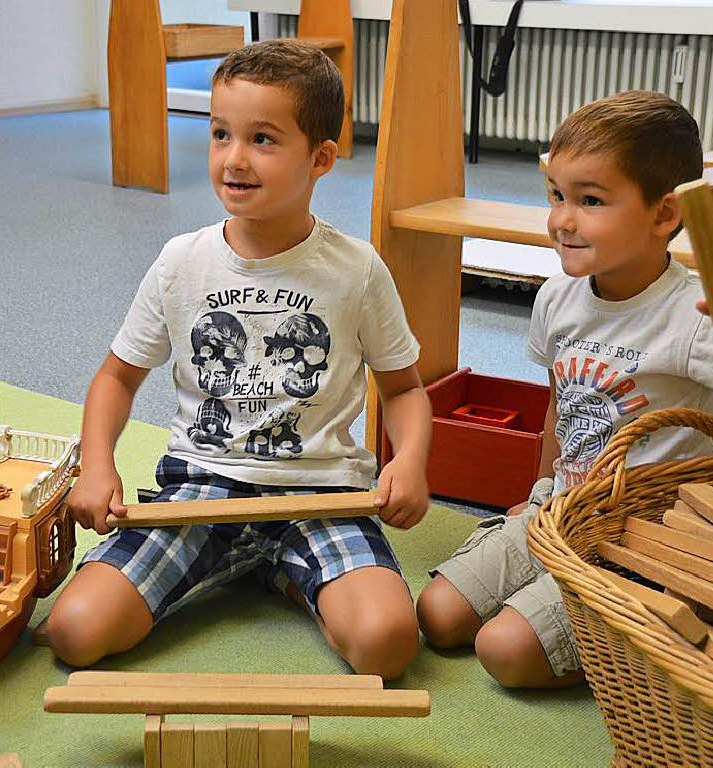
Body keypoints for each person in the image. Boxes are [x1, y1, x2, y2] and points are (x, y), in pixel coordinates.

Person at [416, 89, 713, 689]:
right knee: (438, 615)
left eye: (590, 200)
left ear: (665, 215)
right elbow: (561, 406)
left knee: (504, 652)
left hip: (643, 531)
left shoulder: (695, 316)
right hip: (562, 506)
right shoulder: (557, 296)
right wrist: (537, 492)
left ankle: (662, 629)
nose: (563, 218)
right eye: (556, 195)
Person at [46, 40, 432, 679]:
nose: (234, 158)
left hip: (322, 493)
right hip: (204, 488)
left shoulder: (357, 271)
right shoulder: (181, 262)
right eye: (221, 133)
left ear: (321, 159)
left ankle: (280, 572)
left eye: (263, 139)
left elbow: (405, 389)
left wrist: (410, 462)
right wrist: (96, 466)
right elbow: (116, 378)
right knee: (74, 631)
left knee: (386, 645)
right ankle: (246, 564)